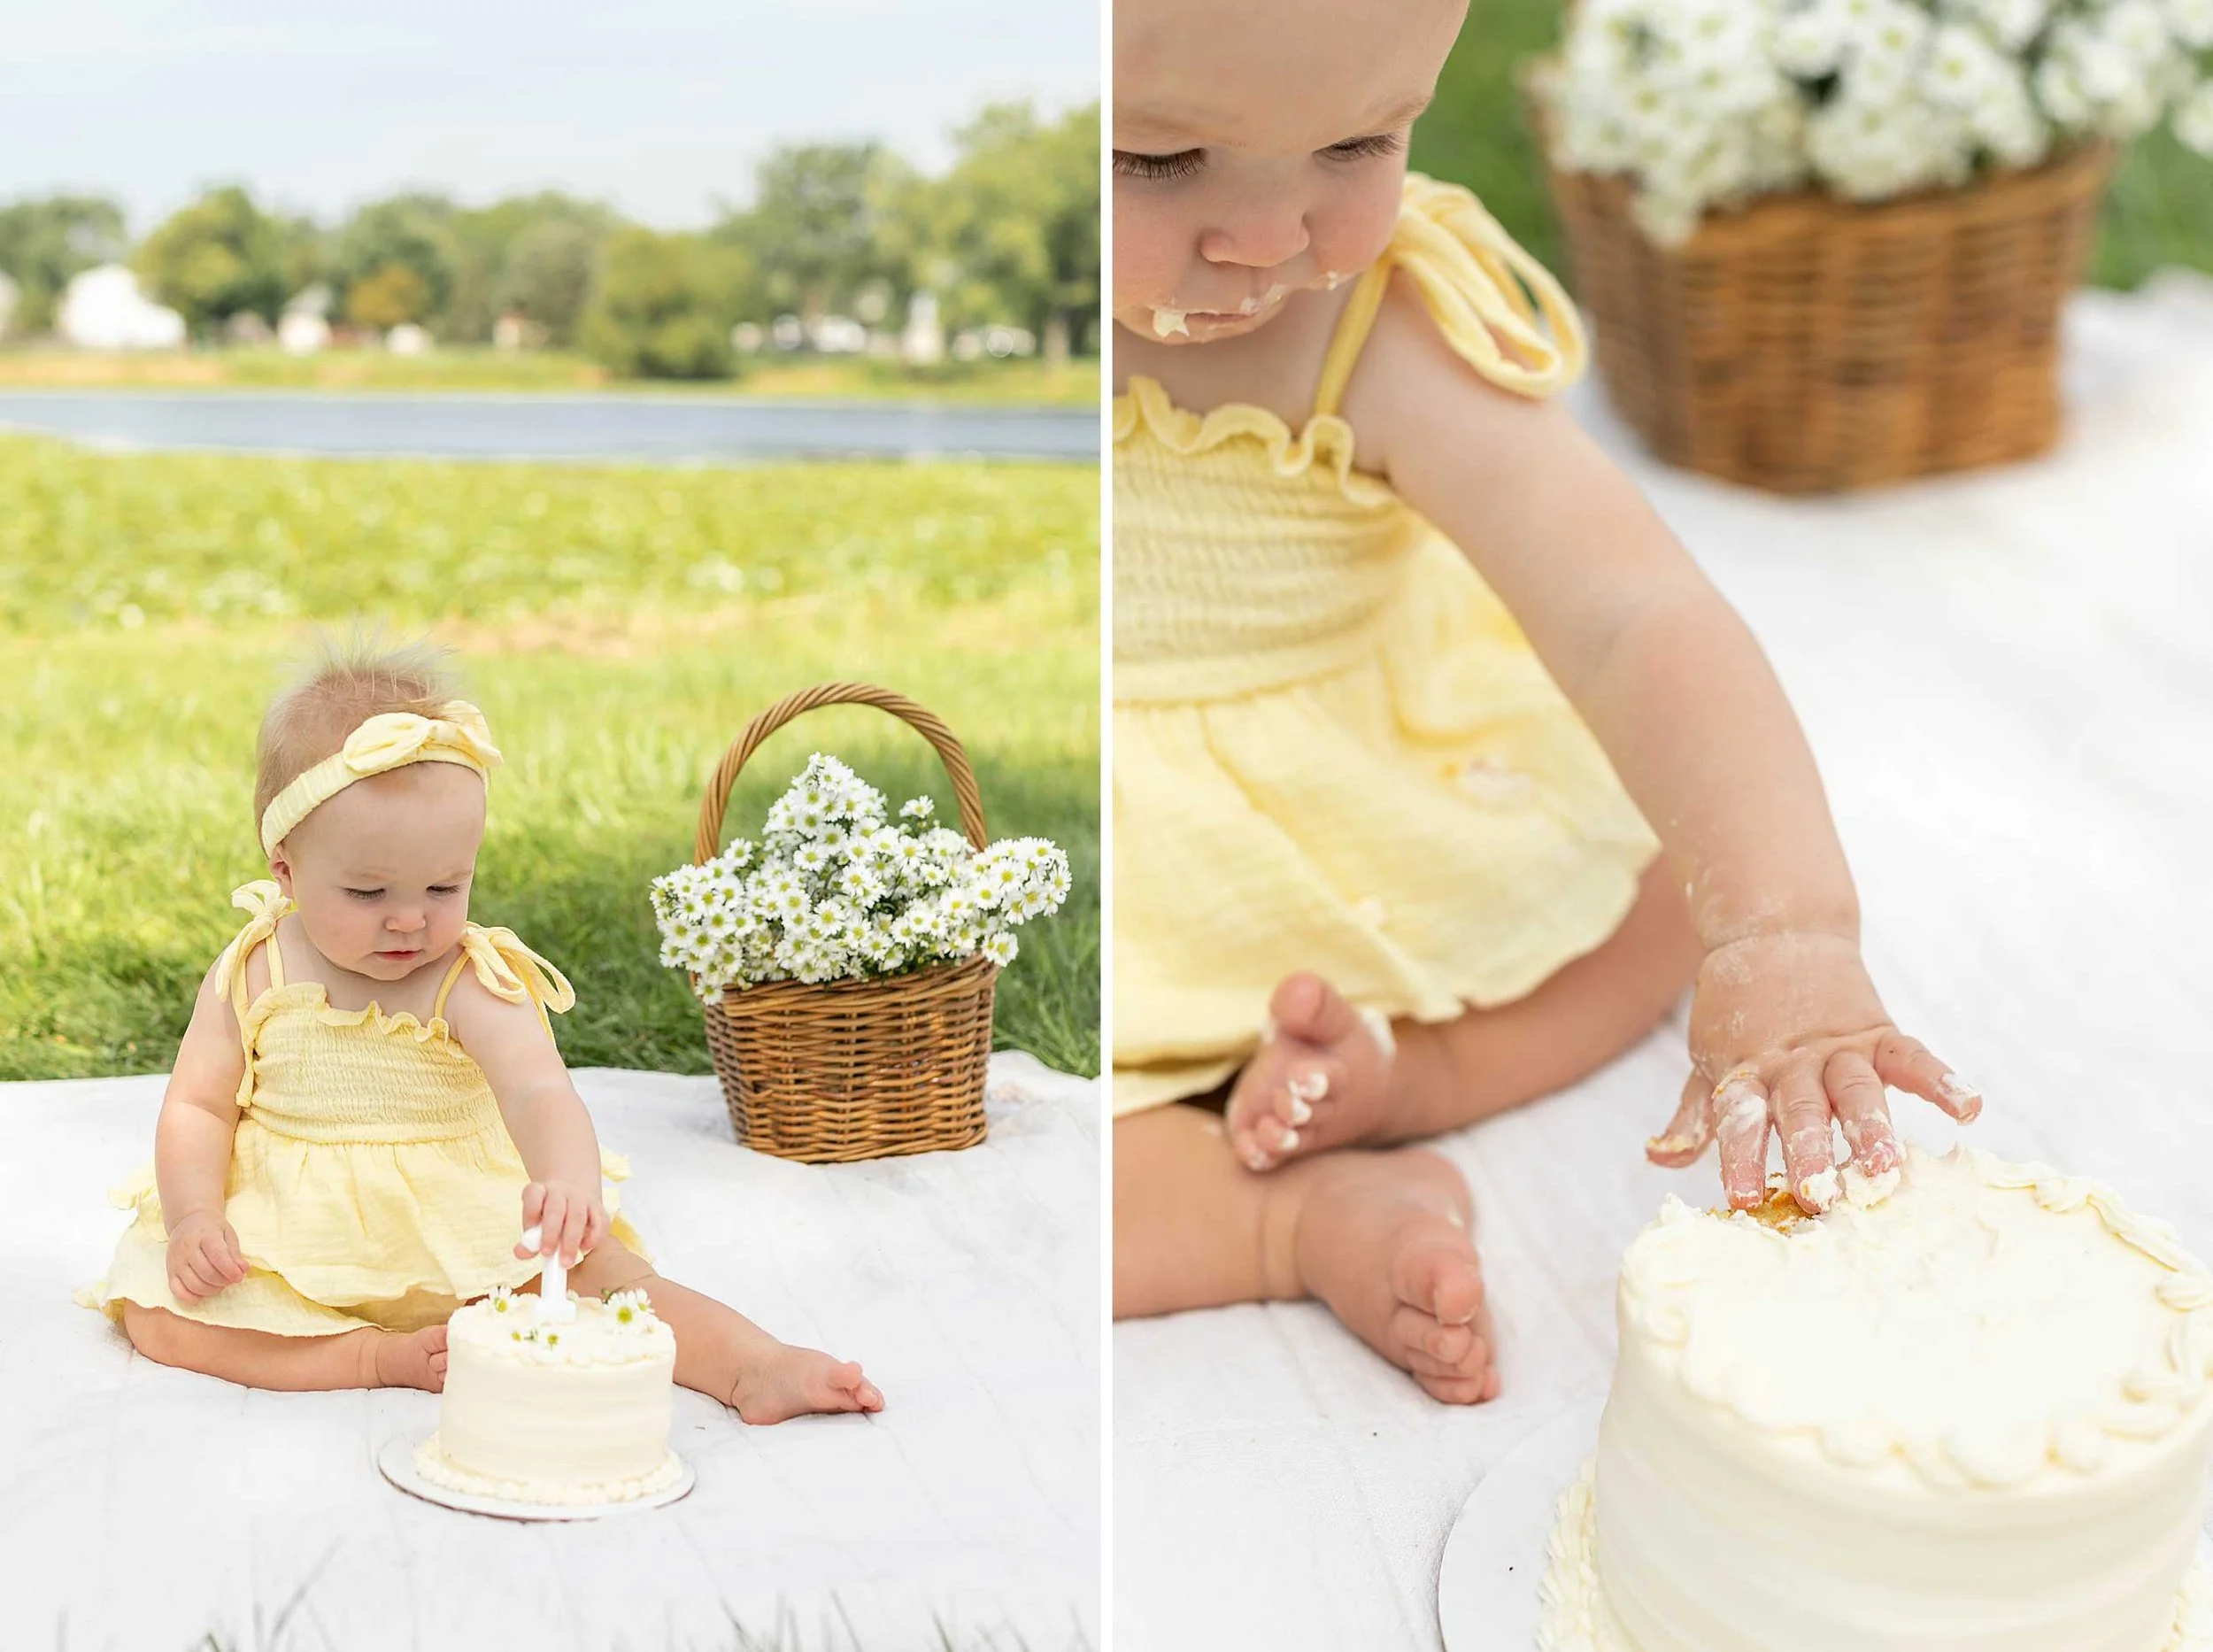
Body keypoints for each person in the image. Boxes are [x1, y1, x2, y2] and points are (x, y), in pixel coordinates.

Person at [1111, 0, 1982, 1403]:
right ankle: (1287, 1216)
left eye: (1357, 139)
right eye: (1154, 163)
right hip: (1124, 868)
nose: (1270, 238)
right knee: (1009, 1138)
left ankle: (1417, 1075)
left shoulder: (1376, 324)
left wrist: (1785, 925)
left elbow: (1635, 614)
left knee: (1655, 909)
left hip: (1360, 819)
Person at [77, 632, 883, 1422]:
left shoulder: (470, 975)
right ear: (284, 868)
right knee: (159, 1316)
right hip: (301, 1234)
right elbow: (199, 1106)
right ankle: (365, 1357)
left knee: (610, 1283)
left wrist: (569, 1184)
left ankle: (753, 1366)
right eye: (368, 893)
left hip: (461, 1226)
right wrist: (192, 1219)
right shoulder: (256, 967)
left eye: (443, 886)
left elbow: (537, 1090)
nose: (409, 921)